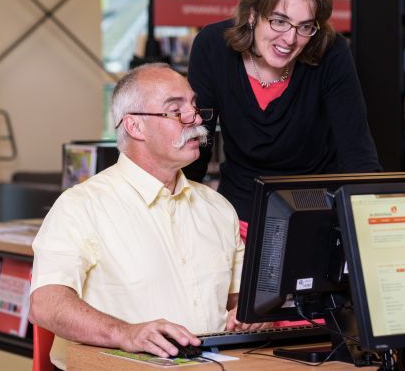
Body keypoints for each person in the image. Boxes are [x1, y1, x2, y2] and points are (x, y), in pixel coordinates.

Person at [29, 63, 262, 370]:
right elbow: (45, 304)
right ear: (134, 126)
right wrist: (125, 333)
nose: (194, 118)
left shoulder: (218, 209)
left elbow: (236, 300)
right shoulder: (80, 206)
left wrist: (248, 314)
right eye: (175, 110)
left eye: (193, 106)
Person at [183, 0, 381, 237]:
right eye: (279, 21)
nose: (290, 39)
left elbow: (358, 155)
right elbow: (197, 148)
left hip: (314, 216)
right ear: (252, 14)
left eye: (305, 26)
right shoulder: (213, 47)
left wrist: (374, 225)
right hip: (235, 217)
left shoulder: (331, 51)